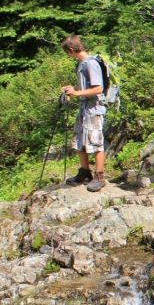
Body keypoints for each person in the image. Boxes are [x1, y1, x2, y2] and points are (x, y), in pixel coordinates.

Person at [60, 35, 107, 192]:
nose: (68, 56)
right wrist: (71, 90)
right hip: (83, 109)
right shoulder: (81, 64)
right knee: (79, 139)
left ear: (72, 50)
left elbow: (98, 88)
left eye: (68, 53)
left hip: (94, 109)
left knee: (96, 141)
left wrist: (76, 93)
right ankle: (85, 172)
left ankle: (99, 176)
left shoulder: (91, 63)